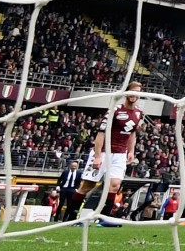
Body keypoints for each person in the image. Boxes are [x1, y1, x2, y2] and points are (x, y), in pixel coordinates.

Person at [62, 81, 144, 225]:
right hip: (104, 152)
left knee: (115, 185)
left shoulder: (139, 113)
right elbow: (101, 134)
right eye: (132, 91)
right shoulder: (114, 110)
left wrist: (131, 151)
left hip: (120, 154)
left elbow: (132, 134)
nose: (134, 95)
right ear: (126, 93)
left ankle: (104, 219)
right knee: (87, 186)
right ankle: (71, 218)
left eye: (137, 92)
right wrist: (98, 156)